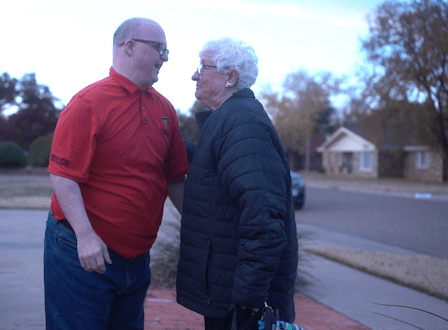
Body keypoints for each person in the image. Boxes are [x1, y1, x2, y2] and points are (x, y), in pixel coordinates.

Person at [44, 17, 189, 330]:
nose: (165, 58)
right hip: (83, 254)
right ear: (130, 47)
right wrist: (85, 237)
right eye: (160, 49)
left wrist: (200, 225)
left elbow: (175, 178)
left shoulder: (165, 110)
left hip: (137, 259)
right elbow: (63, 176)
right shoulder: (88, 104)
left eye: (167, 51)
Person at [176, 38, 299, 330]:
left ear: (230, 76)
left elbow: (263, 217)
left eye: (202, 68)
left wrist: (248, 301)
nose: (195, 75)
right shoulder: (229, 119)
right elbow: (218, 173)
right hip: (229, 292)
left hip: (240, 302)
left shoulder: (243, 123)